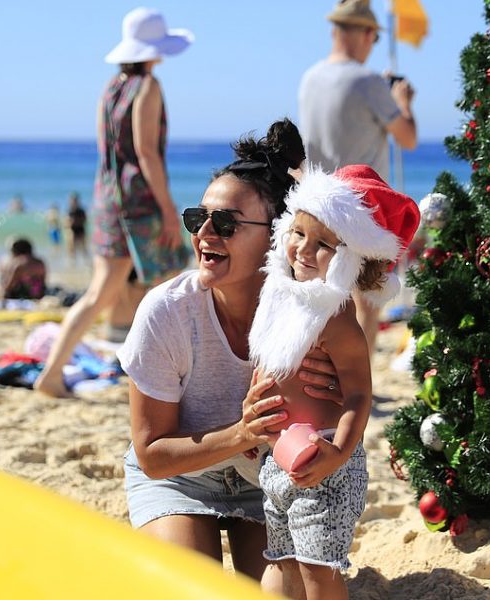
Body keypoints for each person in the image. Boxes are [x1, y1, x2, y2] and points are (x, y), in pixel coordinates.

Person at [115, 119, 343, 590]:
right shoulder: (167, 313)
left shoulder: (313, 315)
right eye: (198, 220)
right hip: (179, 479)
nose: (205, 235)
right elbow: (153, 455)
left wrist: (333, 406)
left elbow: (344, 414)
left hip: (269, 484)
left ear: (277, 235)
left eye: (226, 224)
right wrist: (242, 433)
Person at [248, 165, 419, 598]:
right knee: (283, 559)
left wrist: (339, 452)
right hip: (279, 459)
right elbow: (267, 362)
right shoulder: (281, 298)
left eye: (323, 244)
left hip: (325, 461)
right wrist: (248, 418)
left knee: (318, 571)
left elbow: (360, 391)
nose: (304, 249)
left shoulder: (337, 317)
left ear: (348, 259)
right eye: (298, 233)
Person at [34, 7, 191, 398]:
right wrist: (169, 209)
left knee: (98, 295)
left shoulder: (112, 87)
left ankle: (52, 373)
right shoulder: (148, 87)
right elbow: (146, 152)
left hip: (107, 198)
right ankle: (180, 381)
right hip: (139, 203)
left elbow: (110, 151)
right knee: (173, 287)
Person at [298, 0, 418, 360]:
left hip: (319, 199)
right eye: (374, 38)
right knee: (367, 300)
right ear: (366, 34)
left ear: (335, 30)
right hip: (365, 205)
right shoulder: (368, 82)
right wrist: (402, 101)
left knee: (323, 295)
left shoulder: (310, 77)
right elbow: (408, 138)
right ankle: (358, 384)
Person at [65, 192, 89, 263]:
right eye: (72, 200)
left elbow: (85, 220)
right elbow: (67, 223)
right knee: (71, 249)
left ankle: (86, 263)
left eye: (74, 200)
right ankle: (73, 264)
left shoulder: (81, 211)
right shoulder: (69, 211)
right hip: (72, 231)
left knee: (83, 249)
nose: (73, 202)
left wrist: (76, 221)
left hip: (81, 230)